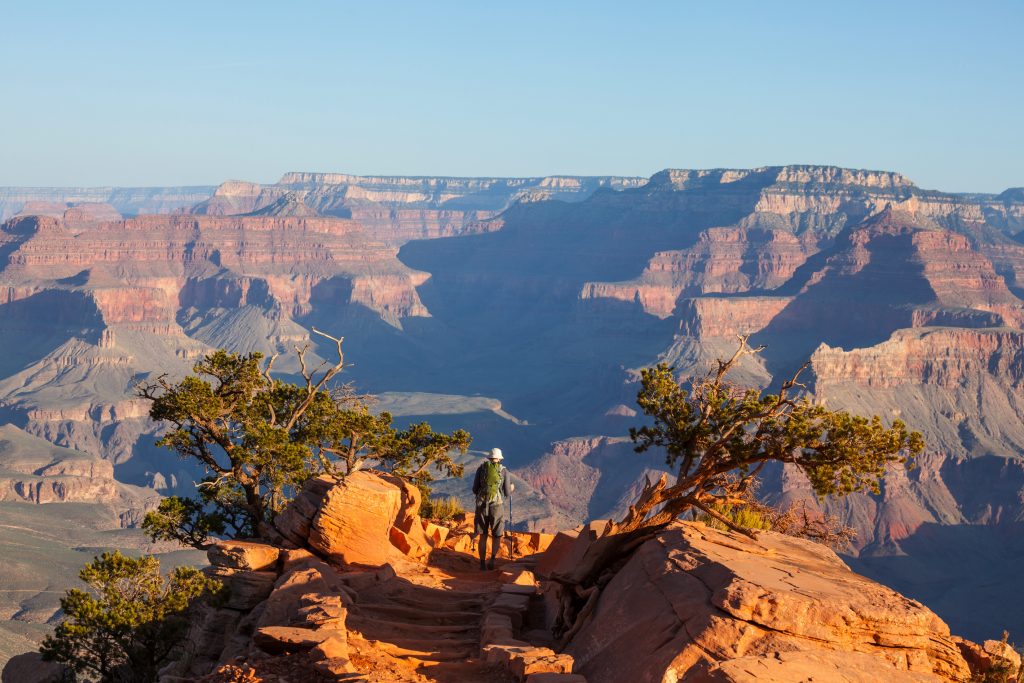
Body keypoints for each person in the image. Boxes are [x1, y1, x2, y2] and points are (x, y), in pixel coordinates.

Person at [472, 447, 513, 570]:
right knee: (496, 535)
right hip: (497, 506)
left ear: (489, 458)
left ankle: (482, 564)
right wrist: (511, 488)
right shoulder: (504, 471)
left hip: (481, 506)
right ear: (499, 459)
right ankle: (493, 560)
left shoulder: (481, 469)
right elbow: (506, 493)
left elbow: (475, 489)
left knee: (483, 535)